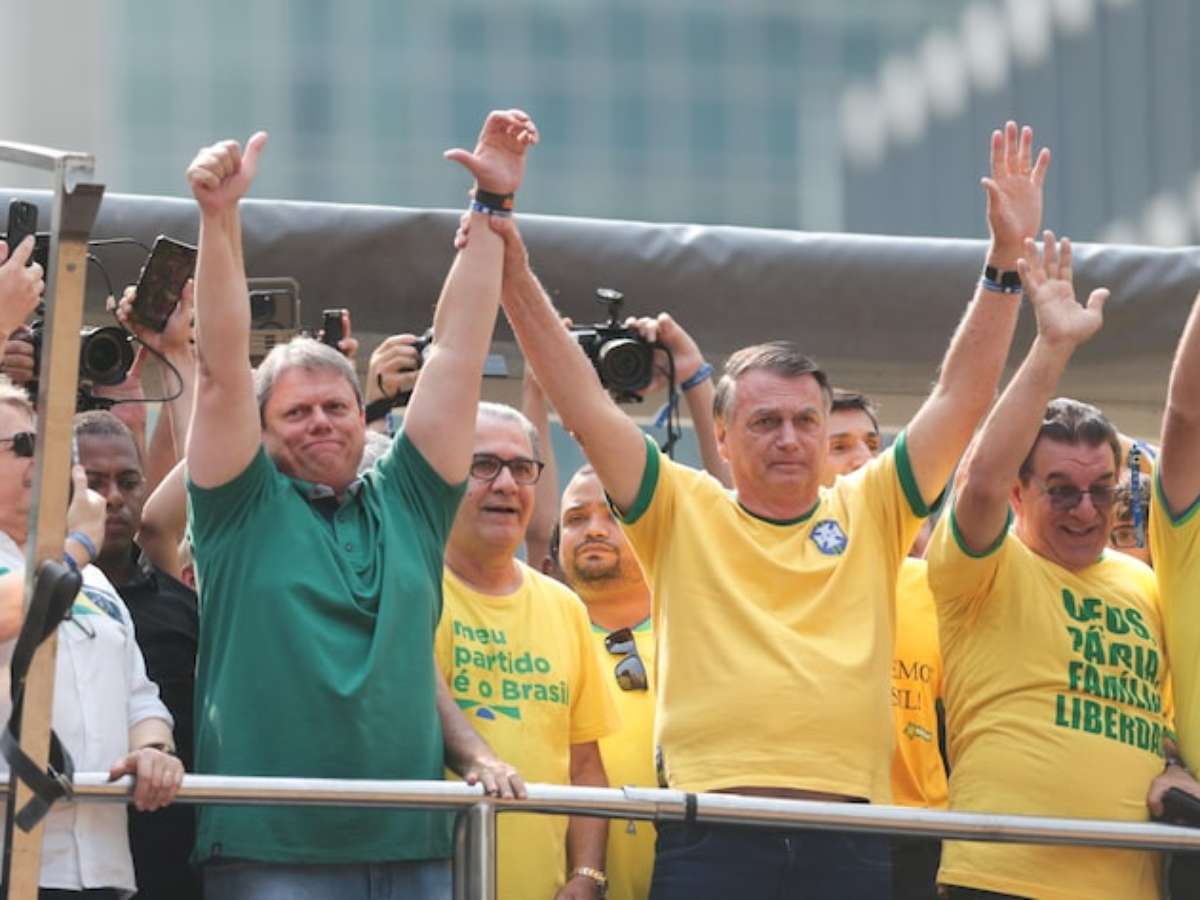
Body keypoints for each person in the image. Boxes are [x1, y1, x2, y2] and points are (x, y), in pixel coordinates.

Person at [477, 121, 1046, 898]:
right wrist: (507, 251)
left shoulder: (874, 505)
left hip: (851, 836)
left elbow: (961, 396)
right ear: (720, 434)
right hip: (712, 832)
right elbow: (578, 396)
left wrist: (1005, 262)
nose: (789, 438)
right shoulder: (679, 507)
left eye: (806, 421)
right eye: (765, 421)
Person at [183, 111, 534, 898]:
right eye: (296, 412)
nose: (321, 422)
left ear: (362, 411)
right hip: (272, 850)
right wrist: (219, 217)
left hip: (414, 844)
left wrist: (491, 205)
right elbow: (220, 372)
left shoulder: (409, 498)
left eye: (336, 407)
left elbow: (457, 355)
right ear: (260, 433)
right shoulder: (239, 509)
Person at [927, 233, 1169, 899]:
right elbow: (977, 481)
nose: (1086, 511)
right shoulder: (984, 566)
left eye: (1102, 490)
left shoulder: (1145, 584)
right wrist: (1052, 345)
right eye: (1061, 491)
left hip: (1129, 886)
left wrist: (1176, 764)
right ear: (1018, 493)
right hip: (999, 880)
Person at [0, 376, 183, 897]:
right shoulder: (78, 560)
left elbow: (140, 696)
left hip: (102, 866)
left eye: (45, 443)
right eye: (21, 445)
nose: (40, 459)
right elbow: (14, 610)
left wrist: (154, 749)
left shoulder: (96, 580)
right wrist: (79, 541)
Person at [437, 402, 619, 900]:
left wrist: (587, 875)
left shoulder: (565, 607)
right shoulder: (411, 592)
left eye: (521, 468)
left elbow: (585, 765)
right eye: (482, 465)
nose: (505, 484)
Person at [818, 388, 946, 900]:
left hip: (918, 832)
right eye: (840, 446)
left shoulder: (931, 583)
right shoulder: (780, 569)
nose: (863, 459)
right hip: (815, 823)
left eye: (872, 444)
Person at [74, 409, 201, 900]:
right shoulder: (27, 594)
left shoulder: (182, 605)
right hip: (64, 851)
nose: (113, 498)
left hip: (171, 853)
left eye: (128, 482)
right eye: (94, 482)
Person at [557, 464, 657, 900]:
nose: (594, 530)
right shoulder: (543, 634)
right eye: (576, 519)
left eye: (613, 514)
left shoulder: (700, 631)